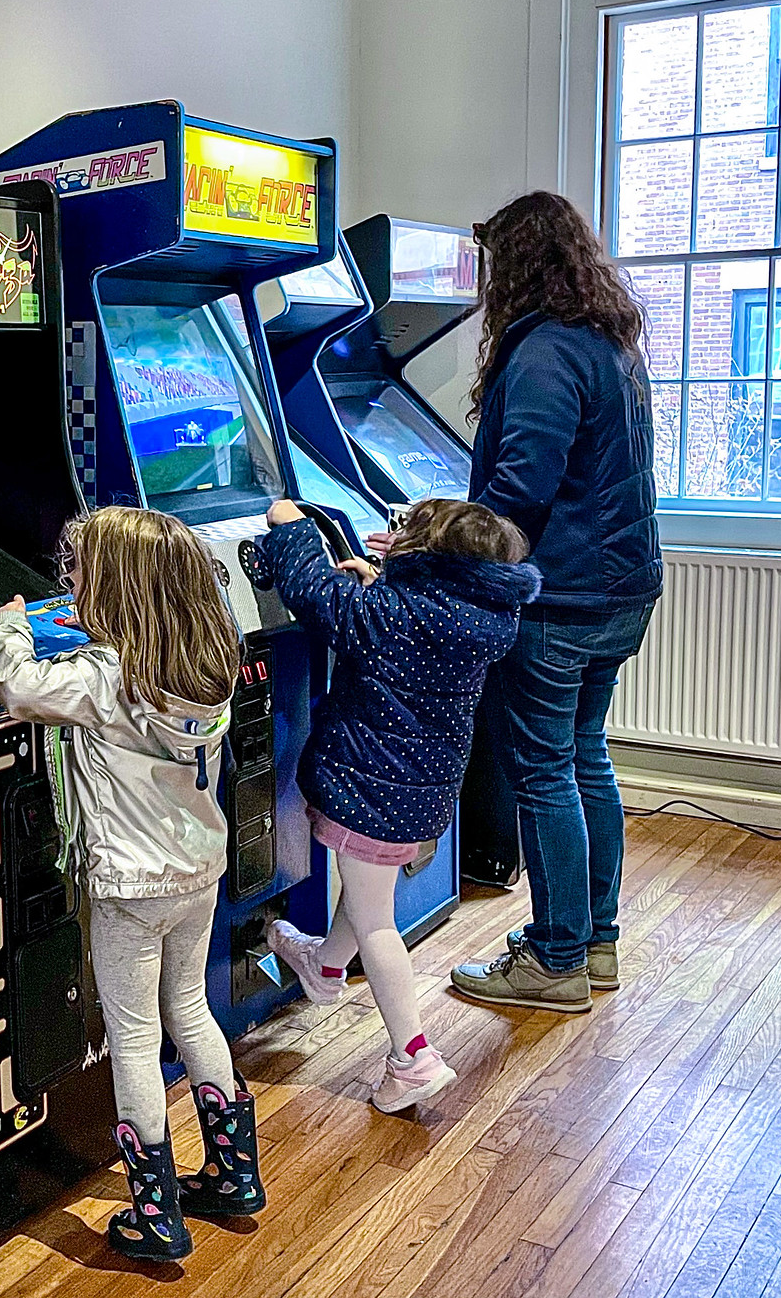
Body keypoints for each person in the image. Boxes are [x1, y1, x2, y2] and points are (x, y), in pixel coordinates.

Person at [380, 190, 660, 1014]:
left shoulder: (543, 353)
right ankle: (593, 941)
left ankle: (554, 958)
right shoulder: (609, 340)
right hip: (619, 587)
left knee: (544, 770)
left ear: (523, 267)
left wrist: (426, 545)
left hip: (562, 597)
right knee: (582, 756)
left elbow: (518, 495)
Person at [0, 506, 264, 1263]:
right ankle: (235, 1175)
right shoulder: (206, 654)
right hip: (199, 867)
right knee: (191, 1009)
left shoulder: (107, 677)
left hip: (130, 884)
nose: (67, 583)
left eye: (77, 574)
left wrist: (11, 623)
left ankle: (155, 1214)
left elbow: (17, 687)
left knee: (135, 1037)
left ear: (114, 587)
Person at [258, 497, 540, 1111]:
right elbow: (409, 621)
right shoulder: (480, 619)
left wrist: (289, 524)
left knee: (377, 921)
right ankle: (325, 968)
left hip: (368, 789)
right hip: (422, 792)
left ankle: (413, 1056)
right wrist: (380, 580)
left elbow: (313, 594)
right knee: (367, 895)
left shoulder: (389, 615)